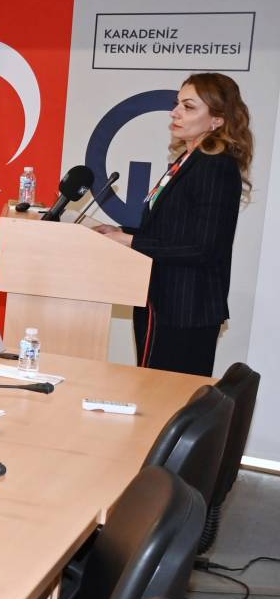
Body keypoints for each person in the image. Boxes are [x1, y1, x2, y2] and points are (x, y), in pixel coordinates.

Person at [96, 73, 251, 376]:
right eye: (177, 104)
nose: (175, 112)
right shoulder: (188, 160)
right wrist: (122, 232)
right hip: (163, 302)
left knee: (165, 397)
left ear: (217, 120)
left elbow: (204, 247)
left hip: (184, 309)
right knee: (151, 391)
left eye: (188, 107)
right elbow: (172, 231)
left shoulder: (215, 166)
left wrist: (130, 242)